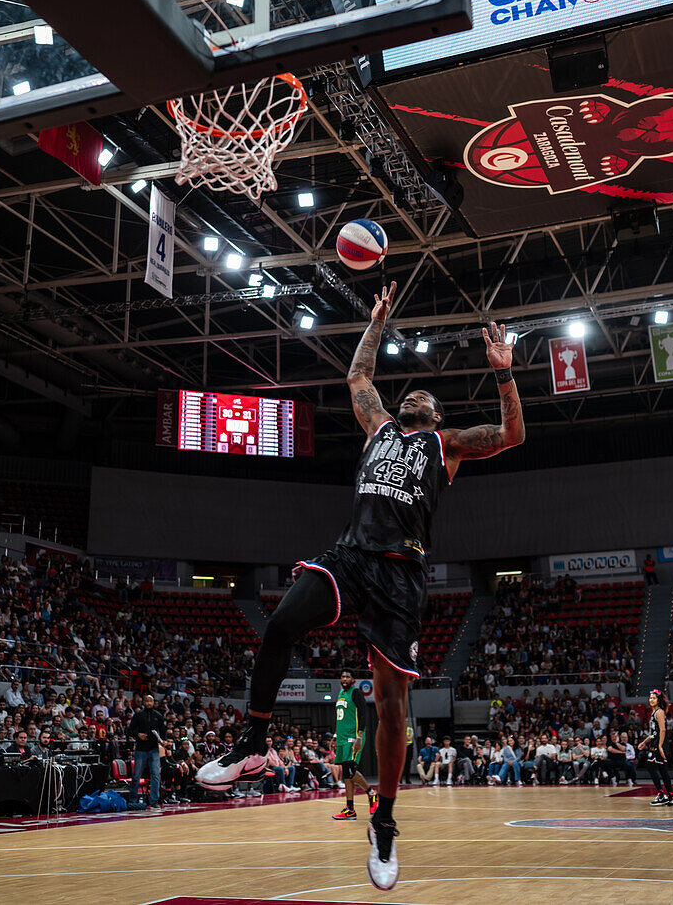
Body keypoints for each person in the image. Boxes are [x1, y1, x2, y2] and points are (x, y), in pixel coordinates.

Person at [196, 284, 525, 891]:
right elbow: (358, 376)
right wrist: (376, 321)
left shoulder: (445, 447)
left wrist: (503, 374)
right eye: (413, 391)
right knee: (281, 625)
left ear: (437, 417)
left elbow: (511, 434)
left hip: (401, 574)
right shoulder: (378, 429)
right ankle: (252, 746)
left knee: (392, 706)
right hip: (351, 556)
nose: (418, 393)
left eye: (427, 395)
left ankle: (386, 821)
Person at [331, 670, 377, 820]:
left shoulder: (356, 693)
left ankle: (371, 793)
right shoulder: (340, 694)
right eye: (343, 676)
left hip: (353, 737)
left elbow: (363, 714)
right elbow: (341, 719)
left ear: (353, 679)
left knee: (350, 771)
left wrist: (360, 735)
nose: (344, 679)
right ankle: (350, 809)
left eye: (347, 677)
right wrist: (335, 736)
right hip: (342, 737)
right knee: (346, 774)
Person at [127, 693, 165, 810]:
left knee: (155, 776)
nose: (148, 703)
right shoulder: (138, 715)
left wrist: (164, 741)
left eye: (150, 701)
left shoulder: (158, 716)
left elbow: (162, 733)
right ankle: (132, 800)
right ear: (143, 702)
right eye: (146, 701)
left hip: (154, 749)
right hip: (140, 749)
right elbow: (130, 731)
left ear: (153, 703)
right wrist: (138, 735)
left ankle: (154, 801)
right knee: (136, 775)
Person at [639, 689, 673, 806]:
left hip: (659, 743)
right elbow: (653, 733)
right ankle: (670, 796)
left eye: (654, 698)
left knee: (652, 767)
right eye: (650, 698)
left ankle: (662, 795)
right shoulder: (654, 712)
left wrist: (660, 746)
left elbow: (663, 730)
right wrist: (644, 742)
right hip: (655, 742)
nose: (651, 700)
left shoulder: (659, 712)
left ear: (658, 700)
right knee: (661, 769)